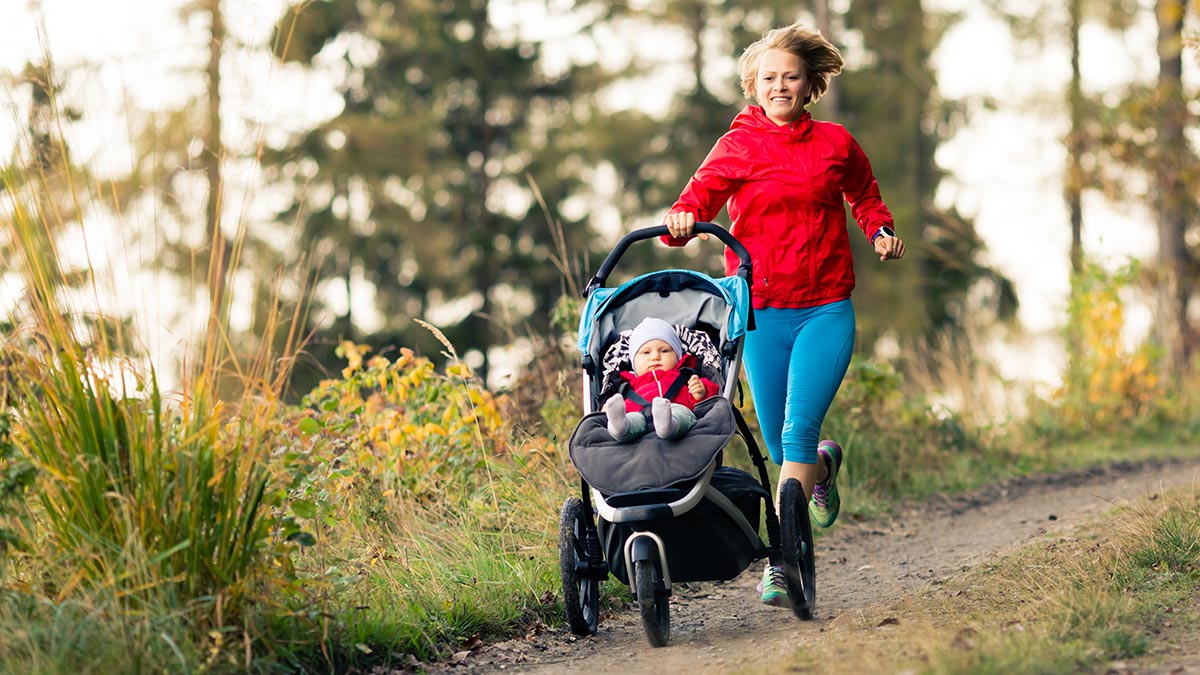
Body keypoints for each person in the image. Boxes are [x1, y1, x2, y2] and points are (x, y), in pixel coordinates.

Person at [661, 23, 906, 607]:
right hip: (762, 312)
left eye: (790, 76)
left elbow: (865, 193)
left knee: (796, 430)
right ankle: (822, 467)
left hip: (825, 308)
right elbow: (700, 196)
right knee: (781, 448)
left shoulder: (836, 143)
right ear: (754, 85)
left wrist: (880, 229)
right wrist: (681, 218)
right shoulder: (738, 144)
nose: (780, 86)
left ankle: (783, 559)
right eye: (768, 77)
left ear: (808, 84)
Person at [603, 317, 720, 442]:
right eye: (646, 352)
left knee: (683, 415)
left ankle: (669, 425)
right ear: (633, 362)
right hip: (639, 414)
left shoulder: (685, 376)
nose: (655, 357)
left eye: (664, 351)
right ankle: (620, 427)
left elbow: (709, 399)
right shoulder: (627, 385)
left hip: (676, 409)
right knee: (632, 419)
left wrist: (700, 392)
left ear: (677, 356)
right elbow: (619, 401)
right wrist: (606, 408)